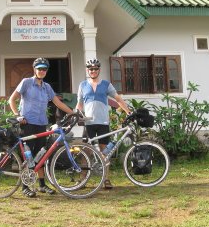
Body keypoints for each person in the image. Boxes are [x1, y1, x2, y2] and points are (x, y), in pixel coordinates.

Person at [9, 57, 73, 198]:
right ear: (34, 69)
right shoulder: (26, 83)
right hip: (27, 124)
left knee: (40, 155)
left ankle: (42, 185)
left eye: (44, 69)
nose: (42, 71)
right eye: (39, 68)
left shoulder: (47, 87)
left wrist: (73, 113)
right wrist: (17, 115)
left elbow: (58, 103)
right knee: (28, 155)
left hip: (41, 124)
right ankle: (25, 186)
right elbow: (12, 99)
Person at [76, 58, 130, 189]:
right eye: (90, 69)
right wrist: (76, 114)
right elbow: (79, 104)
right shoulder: (82, 85)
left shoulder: (106, 84)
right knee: (85, 151)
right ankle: (83, 179)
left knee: (104, 151)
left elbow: (117, 99)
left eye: (95, 69)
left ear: (99, 70)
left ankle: (106, 179)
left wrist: (128, 111)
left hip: (103, 123)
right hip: (88, 123)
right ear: (87, 70)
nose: (92, 71)